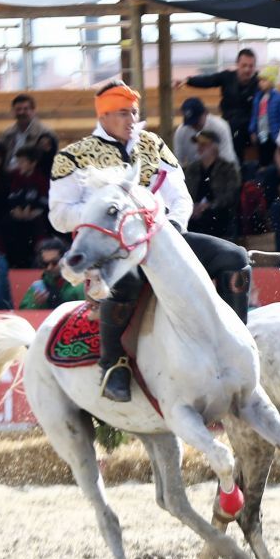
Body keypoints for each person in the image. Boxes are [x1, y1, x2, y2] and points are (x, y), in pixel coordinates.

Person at [49, 81, 252, 402]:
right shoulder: (72, 157)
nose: (132, 119)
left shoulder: (153, 145)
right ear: (103, 116)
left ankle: (238, 341)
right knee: (126, 282)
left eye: (134, 112)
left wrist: (170, 227)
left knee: (235, 258)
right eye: (122, 113)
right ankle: (113, 364)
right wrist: (106, 217)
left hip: (162, 240)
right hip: (111, 249)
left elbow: (180, 197)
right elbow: (59, 215)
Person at [177, 47, 259, 162]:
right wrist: (189, 81)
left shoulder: (258, 83)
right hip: (230, 122)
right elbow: (208, 80)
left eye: (251, 66)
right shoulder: (227, 77)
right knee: (231, 131)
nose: (247, 70)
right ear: (237, 64)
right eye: (244, 65)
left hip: (250, 125)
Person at [184, 130, 241, 239]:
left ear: (215, 147)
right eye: (199, 144)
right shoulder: (192, 169)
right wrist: (192, 207)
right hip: (194, 215)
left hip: (219, 217)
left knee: (211, 216)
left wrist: (209, 206)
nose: (199, 147)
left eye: (204, 144)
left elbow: (230, 197)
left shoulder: (228, 169)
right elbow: (184, 192)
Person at [2, 145, 50, 267]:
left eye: (22, 162)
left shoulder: (41, 178)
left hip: (36, 216)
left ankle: (38, 261)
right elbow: (11, 196)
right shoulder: (14, 176)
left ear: (33, 163)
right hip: (16, 216)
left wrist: (34, 211)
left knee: (40, 228)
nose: (19, 164)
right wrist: (16, 210)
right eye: (18, 161)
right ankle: (13, 263)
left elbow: (45, 199)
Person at [17, 238, 84, 309]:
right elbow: (24, 313)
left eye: (54, 262)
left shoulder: (79, 285)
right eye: (45, 264)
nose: (49, 267)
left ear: (65, 260)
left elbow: (87, 312)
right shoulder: (38, 288)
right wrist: (36, 304)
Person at [173, 97, 238, 169]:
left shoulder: (220, 127)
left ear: (205, 113)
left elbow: (227, 158)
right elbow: (178, 161)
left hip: (222, 171)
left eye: (196, 121)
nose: (194, 126)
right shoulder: (181, 132)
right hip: (194, 173)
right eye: (191, 123)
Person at [0, 94, 56, 171]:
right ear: (13, 111)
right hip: (8, 175)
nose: (21, 112)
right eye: (18, 109)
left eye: (26, 109)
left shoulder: (44, 134)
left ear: (33, 111)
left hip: (32, 176)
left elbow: (47, 162)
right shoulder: (7, 133)